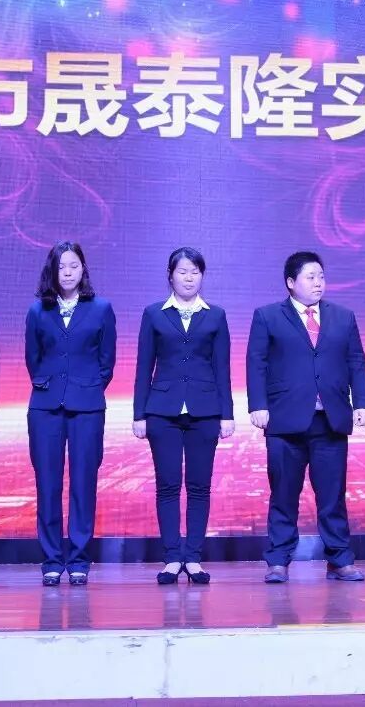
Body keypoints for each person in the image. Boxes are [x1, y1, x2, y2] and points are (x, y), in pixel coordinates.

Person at [246, 251, 365, 584]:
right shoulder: (268, 316)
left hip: (330, 420)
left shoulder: (343, 317)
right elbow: (256, 363)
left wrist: (362, 402)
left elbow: (356, 361)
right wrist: (257, 405)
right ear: (291, 282)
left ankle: (340, 560)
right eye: (310, 277)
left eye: (321, 276)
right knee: (283, 495)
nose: (318, 283)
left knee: (332, 496)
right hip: (284, 421)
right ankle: (278, 561)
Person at [132, 247, 234, 585]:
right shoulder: (154, 314)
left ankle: (193, 558)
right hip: (162, 411)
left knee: (200, 486)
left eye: (195, 272)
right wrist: (139, 413)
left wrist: (227, 413)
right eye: (183, 272)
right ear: (170, 275)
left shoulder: (216, 315)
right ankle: (172, 558)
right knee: (168, 485)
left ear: (202, 276)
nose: (189, 278)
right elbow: (144, 366)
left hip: (205, 411)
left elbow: (222, 368)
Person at [25, 242, 116, 586]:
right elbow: (33, 358)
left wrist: (86, 386)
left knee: (83, 484)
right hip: (45, 406)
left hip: (87, 406)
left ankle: (79, 559)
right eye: (61, 266)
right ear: (52, 270)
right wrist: (49, 384)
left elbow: (106, 361)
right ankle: (51, 559)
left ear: (83, 269)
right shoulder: (38, 310)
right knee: (47, 484)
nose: (67, 272)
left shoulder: (101, 308)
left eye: (74, 266)